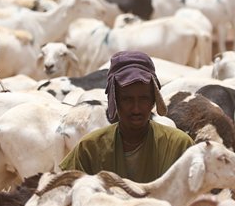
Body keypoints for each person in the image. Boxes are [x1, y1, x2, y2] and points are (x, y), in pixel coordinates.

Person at [59, 50, 193, 183]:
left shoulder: (179, 146)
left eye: (143, 99)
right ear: (114, 100)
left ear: (153, 99)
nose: (136, 109)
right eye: (127, 99)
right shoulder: (89, 148)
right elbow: (65, 192)